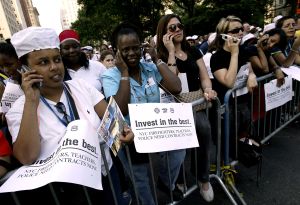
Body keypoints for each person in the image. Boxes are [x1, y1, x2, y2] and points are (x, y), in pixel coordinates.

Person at [7, 26, 134, 205]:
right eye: (43, 62)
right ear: (26, 69)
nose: (54, 68)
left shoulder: (82, 87)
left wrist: (124, 131)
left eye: (57, 59)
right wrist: (31, 102)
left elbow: (113, 122)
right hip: (67, 193)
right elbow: (27, 156)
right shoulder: (20, 109)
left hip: (105, 175)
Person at [101, 22, 185, 205]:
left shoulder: (149, 68)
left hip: (154, 133)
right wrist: (124, 73)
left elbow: (176, 88)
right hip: (129, 139)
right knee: (142, 184)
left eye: (135, 48)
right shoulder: (109, 76)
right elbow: (120, 109)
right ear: (116, 51)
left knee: (178, 152)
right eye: (125, 49)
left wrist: (157, 60)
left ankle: (164, 187)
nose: (131, 53)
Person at [156, 13, 217, 202]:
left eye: (179, 26)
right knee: (179, 144)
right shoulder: (161, 55)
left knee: (204, 131)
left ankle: (203, 178)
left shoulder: (194, 51)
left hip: (197, 103)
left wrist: (208, 89)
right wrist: (171, 52)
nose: (178, 30)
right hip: (175, 107)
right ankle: (178, 178)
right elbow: (171, 81)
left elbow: (204, 75)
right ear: (164, 33)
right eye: (172, 28)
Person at [210, 15, 258, 160]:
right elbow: (229, 82)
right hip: (227, 108)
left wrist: (251, 76)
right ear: (224, 35)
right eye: (235, 30)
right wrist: (234, 53)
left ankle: (234, 165)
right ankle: (225, 168)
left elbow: (249, 69)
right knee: (226, 142)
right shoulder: (217, 57)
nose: (240, 33)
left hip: (243, 104)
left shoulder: (243, 51)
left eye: (241, 29)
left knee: (242, 139)